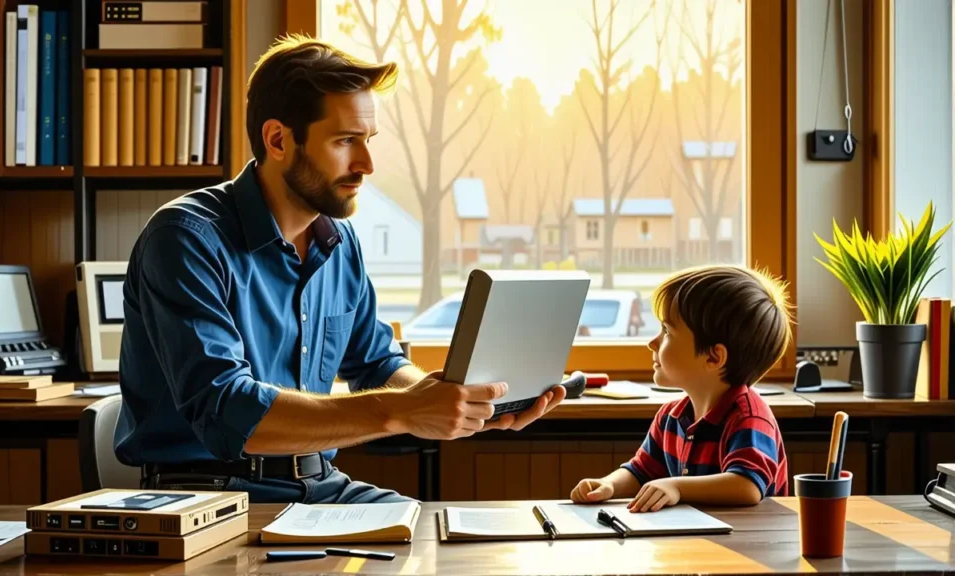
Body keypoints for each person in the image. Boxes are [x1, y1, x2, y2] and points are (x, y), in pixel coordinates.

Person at [113, 35, 566, 504]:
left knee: (436, 537)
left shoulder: (339, 242)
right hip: (210, 496)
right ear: (278, 140)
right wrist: (403, 411)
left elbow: (376, 364)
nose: (366, 164)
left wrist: (455, 401)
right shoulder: (185, 239)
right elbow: (229, 410)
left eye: (368, 140)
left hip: (318, 484)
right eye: (345, 141)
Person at [571, 265, 792, 512]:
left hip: (748, 536)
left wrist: (676, 486)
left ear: (713, 357)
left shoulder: (749, 418)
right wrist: (609, 485)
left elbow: (747, 485)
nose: (651, 342)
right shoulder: (670, 417)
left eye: (667, 331)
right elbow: (641, 471)